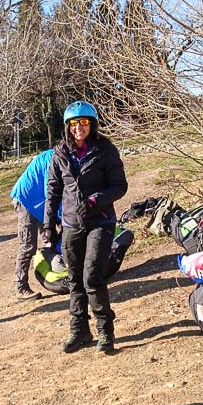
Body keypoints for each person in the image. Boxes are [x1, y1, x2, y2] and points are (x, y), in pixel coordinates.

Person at [43, 101, 128, 354]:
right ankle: (79, 330)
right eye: (73, 123)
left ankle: (105, 330)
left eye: (83, 122)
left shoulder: (106, 150)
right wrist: (49, 225)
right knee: (74, 278)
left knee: (92, 276)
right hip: (71, 223)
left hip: (100, 221)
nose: (78, 128)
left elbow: (119, 186)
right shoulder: (60, 153)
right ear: (67, 126)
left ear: (92, 124)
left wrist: (95, 200)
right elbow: (53, 190)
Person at [10, 149, 54, 299]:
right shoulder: (53, 159)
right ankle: (20, 286)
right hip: (26, 201)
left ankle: (56, 273)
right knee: (28, 245)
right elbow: (50, 191)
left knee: (50, 238)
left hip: (39, 202)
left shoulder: (62, 157)